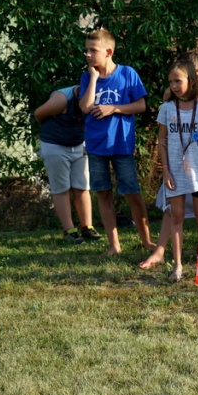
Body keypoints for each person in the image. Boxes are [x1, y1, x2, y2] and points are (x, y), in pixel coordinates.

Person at [78, 28, 153, 255]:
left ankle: (147, 241)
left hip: (121, 145)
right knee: (103, 193)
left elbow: (141, 105)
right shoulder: (87, 77)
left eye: (93, 50)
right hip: (96, 146)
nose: (88, 54)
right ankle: (114, 245)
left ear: (108, 52)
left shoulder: (127, 74)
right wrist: (93, 78)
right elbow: (85, 107)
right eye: (86, 50)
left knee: (132, 193)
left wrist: (113, 108)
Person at [154, 59, 198, 281]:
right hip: (174, 173)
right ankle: (177, 265)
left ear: (191, 80)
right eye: (171, 81)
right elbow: (162, 140)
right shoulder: (166, 108)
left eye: (178, 81)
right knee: (177, 216)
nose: (174, 86)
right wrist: (166, 170)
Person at [33, 84, 100, 244]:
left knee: (82, 187)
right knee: (61, 188)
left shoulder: (99, 96)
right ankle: (69, 231)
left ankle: (87, 228)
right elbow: (38, 114)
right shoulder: (62, 99)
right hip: (54, 145)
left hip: (79, 144)